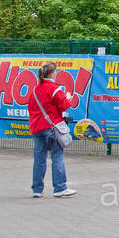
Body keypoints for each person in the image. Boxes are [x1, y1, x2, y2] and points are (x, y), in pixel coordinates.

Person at [28, 62, 78, 198]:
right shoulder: (55, 89)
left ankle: (37, 189)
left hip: (36, 127)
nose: (56, 74)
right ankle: (60, 188)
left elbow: (31, 108)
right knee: (57, 155)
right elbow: (64, 106)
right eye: (55, 72)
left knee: (39, 158)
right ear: (51, 73)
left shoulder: (34, 90)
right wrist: (67, 98)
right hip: (51, 127)